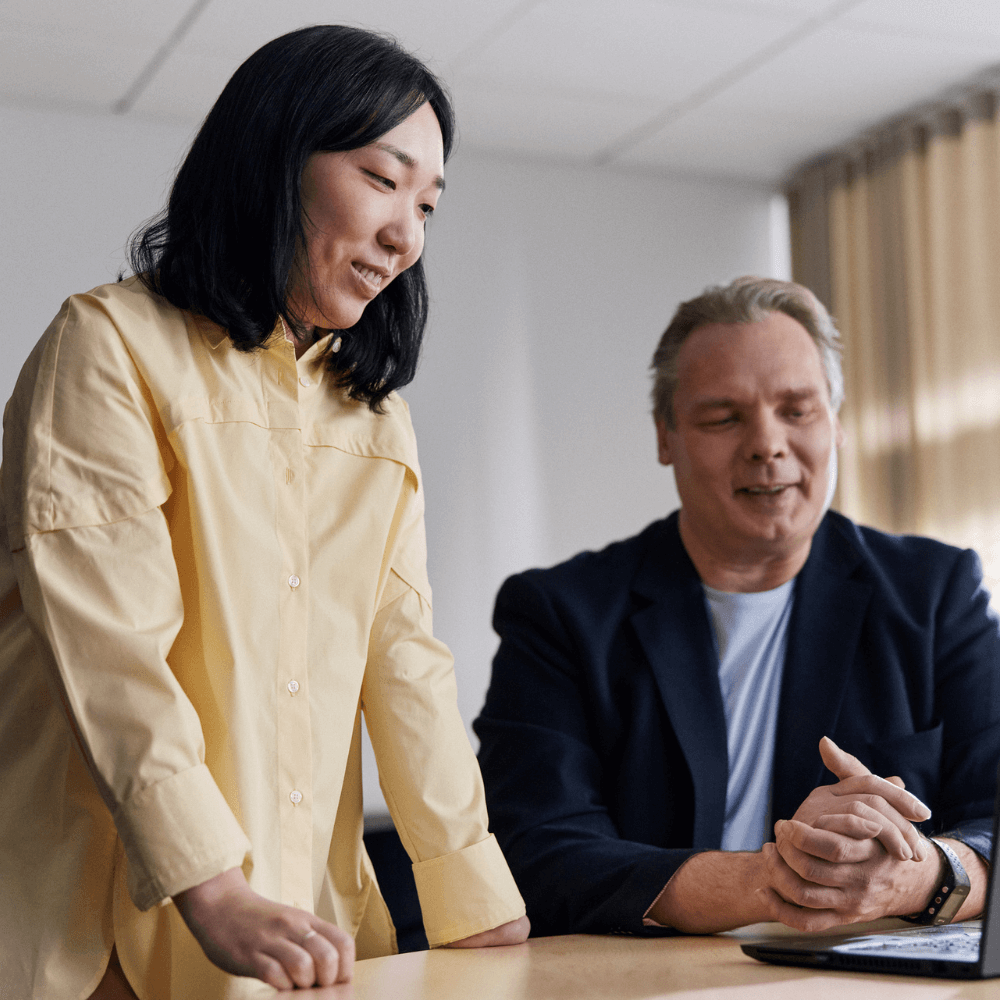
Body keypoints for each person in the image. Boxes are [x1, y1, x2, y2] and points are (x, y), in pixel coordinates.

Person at [0, 25, 527, 1000]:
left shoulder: (373, 417)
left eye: (426, 206)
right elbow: (114, 652)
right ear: (277, 159)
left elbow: (402, 656)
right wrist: (214, 884)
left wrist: (473, 894)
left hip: (297, 925)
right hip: (99, 924)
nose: (406, 234)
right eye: (382, 178)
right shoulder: (109, 346)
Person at [474, 276, 1000, 938]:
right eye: (724, 417)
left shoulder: (936, 592)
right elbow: (537, 850)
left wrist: (923, 874)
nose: (767, 444)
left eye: (797, 410)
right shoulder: (558, 614)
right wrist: (774, 879)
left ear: (835, 423)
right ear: (666, 437)